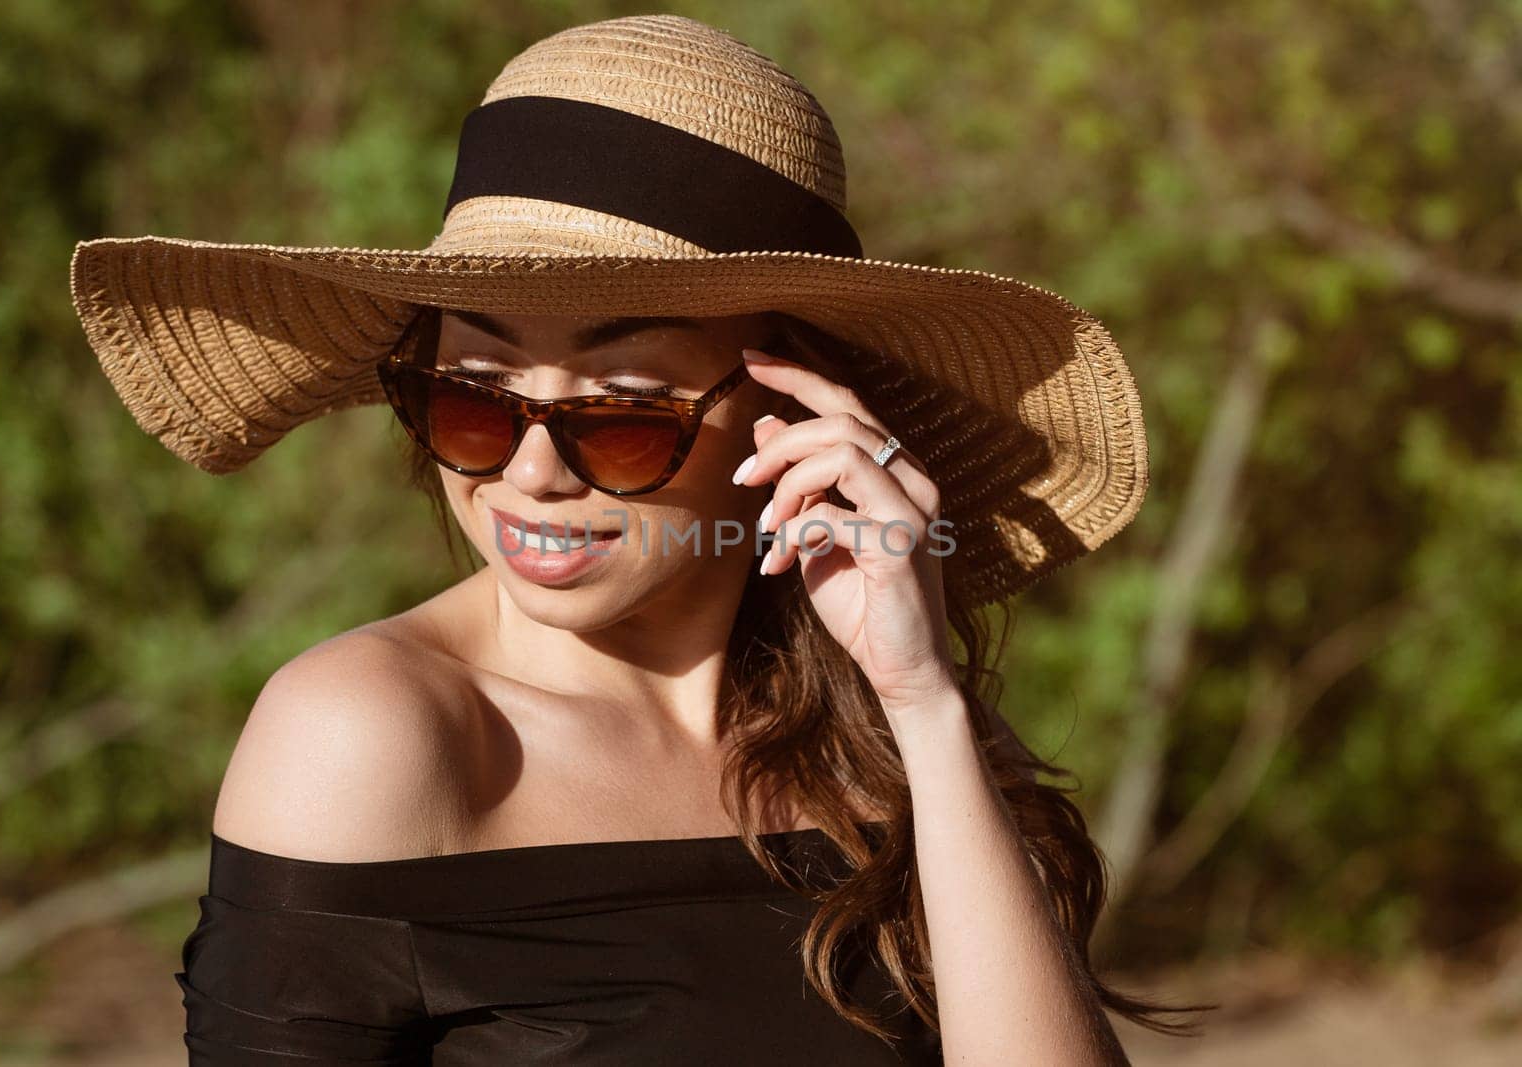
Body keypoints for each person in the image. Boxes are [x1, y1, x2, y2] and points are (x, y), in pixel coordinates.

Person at [69, 13, 1211, 1065]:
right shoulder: (372, 734)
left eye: (620, 411)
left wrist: (924, 702)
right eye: (471, 395)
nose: (526, 470)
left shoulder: (892, 728)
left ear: (795, 416)